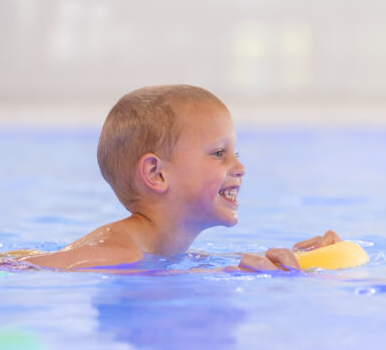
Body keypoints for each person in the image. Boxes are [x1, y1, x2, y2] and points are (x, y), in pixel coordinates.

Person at [24, 84, 337, 270]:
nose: (240, 168)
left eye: (236, 154)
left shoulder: (168, 251)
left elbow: (192, 269)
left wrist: (301, 259)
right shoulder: (117, 254)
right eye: (219, 153)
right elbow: (17, 271)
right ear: (157, 174)